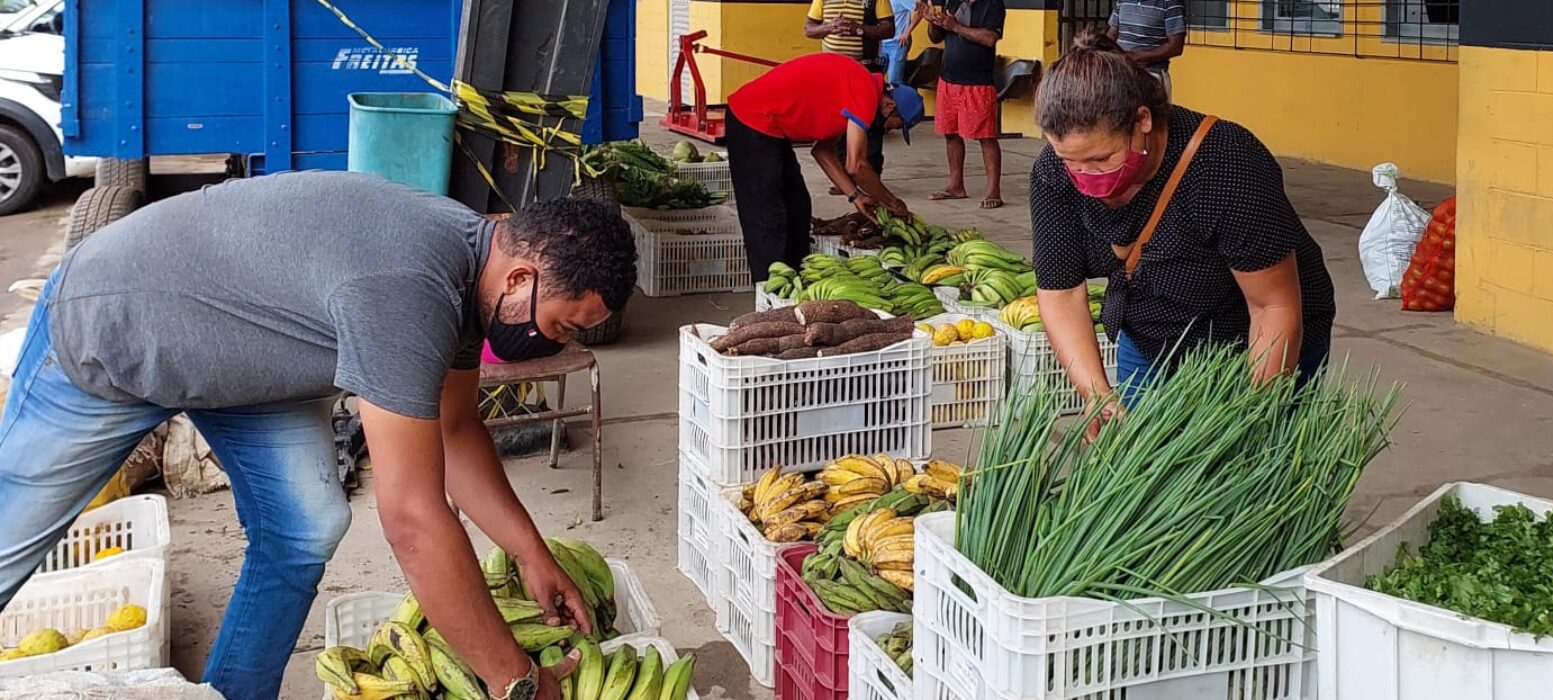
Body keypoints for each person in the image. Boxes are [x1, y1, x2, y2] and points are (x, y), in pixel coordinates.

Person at [0, 171, 637, 700]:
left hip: (234, 360)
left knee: (307, 525)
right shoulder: (410, 289)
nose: (556, 343)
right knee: (9, 541)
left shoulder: (477, 268)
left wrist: (530, 551)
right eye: (560, 325)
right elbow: (413, 520)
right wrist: (516, 682)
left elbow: (456, 425)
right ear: (522, 279)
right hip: (112, 329)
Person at [1028, 33, 1335, 424]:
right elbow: (1061, 293)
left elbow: (1272, 306)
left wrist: (1254, 416)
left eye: (1102, 158)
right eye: (1072, 161)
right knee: (1141, 462)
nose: (1086, 175)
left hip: (1251, 337)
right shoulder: (1054, 172)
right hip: (1152, 333)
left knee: (1252, 466)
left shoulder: (1226, 163)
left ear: (1143, 120)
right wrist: (1095, 393)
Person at [725, 52, 927, 281]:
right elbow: (856, 166)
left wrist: (856, 197)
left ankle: (797, 277)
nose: (891, 128)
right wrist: (892, 202)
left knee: (798, 206)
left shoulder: (856, 91)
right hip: (751, 119)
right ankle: (769, 287)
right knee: (767, 214)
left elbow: (822, 151)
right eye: (897, 124)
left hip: (772, 128)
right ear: (890, 105)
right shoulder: (865, 91)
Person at [922, 0, 1006, 209]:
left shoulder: (992, 5)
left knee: (986, 137)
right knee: (950, 133)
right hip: (948, 78)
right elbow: (936, 37)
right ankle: (955, 185)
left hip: (977, 82)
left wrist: (956, 26)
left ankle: (993, 190)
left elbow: (990, 38)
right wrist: (933, 21)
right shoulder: (954, 1)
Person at [807, 0, 897, 186]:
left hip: (865, 71)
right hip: (833, 75)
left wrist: (859, 29)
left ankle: (871, 179)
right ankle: (843, 179)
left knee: (870, 127)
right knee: (838, 124)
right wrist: (829, 27)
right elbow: (809, 29)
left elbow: (889, 29)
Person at [1107, 0, 1186, 99]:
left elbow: (1175, 47)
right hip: (1121, 74)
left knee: (1149, 113)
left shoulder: (1170, 4)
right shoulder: (1123, 1)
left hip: (1151, 76)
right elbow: (1112, 34)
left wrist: (1137, 56)